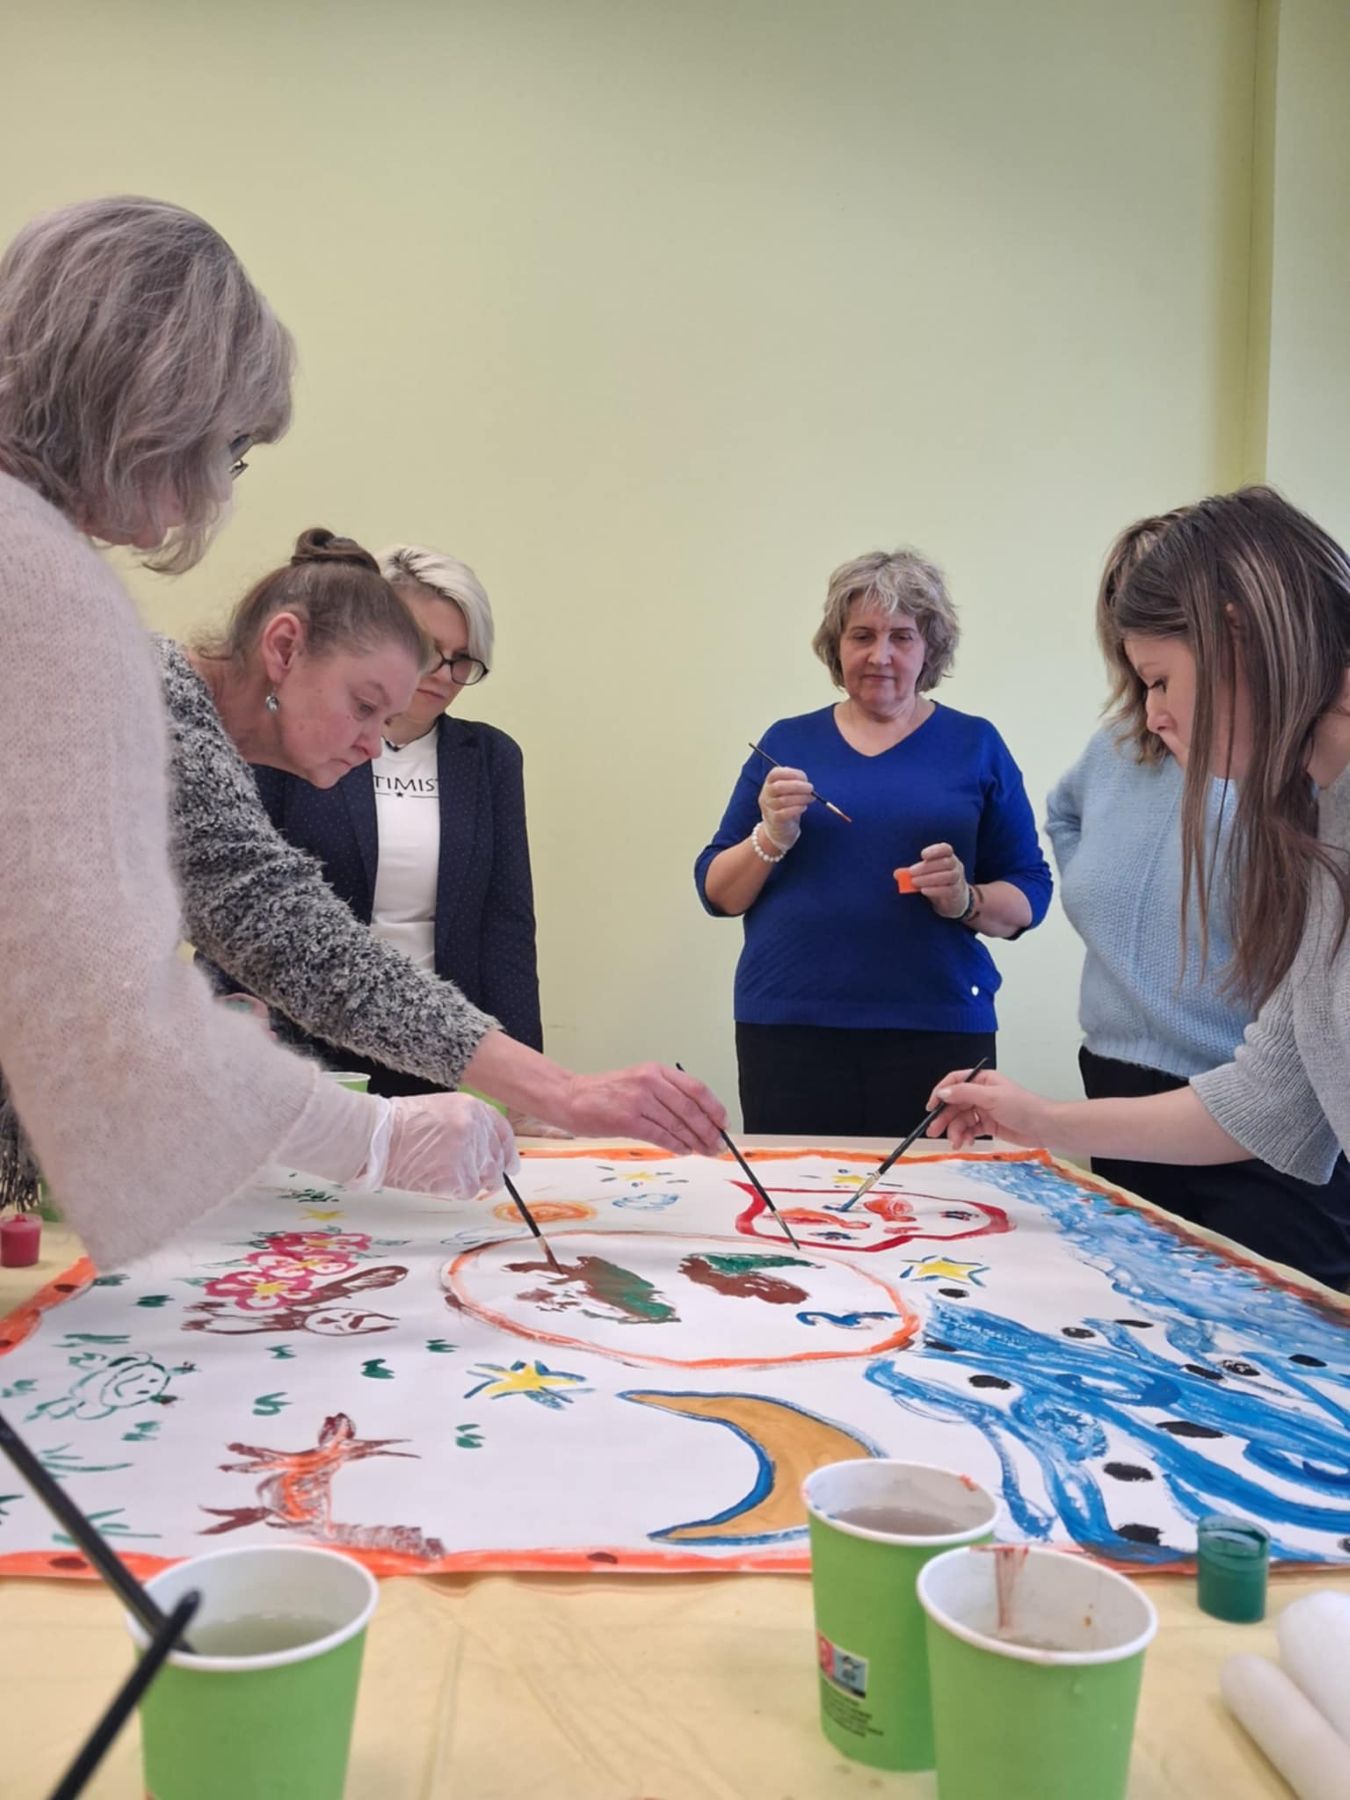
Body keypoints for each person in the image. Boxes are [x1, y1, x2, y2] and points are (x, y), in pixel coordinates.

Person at [0, 196, 515, 1270]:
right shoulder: (42, 589)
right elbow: (107, 1001)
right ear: (156, 405)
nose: (220, 484)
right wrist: (375, 1136)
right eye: (231, 444)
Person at [159, 527, 724, 1149]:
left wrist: (547, 1089)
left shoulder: (196, 738)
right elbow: (298, 945)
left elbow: (299, 944)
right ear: (285, 647)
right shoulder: (147, 710)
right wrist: (560, 1091)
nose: (375, 745)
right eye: (364, 705)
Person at [931, 488, 1350, 1289]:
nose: (1152, 714)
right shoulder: (1324, 825)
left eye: (1158, 680)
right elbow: (1268, 1101)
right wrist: (1039, 1119)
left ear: (1233, 635)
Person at [694, 547, 1052, 1135]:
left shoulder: (976, 745)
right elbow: (717, 892)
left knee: (935, 1187)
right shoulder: (786, 743)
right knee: (796, 1186)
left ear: (930, 648)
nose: (879, 655)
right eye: (861, 635)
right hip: (788, 1027)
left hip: (937, 1025)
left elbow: (1030, 893)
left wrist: (966, 900)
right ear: (836, 647)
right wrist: (771, 837)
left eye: (902, 637)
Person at [245, 543, 544, 1099]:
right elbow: (242, 901)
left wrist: (529, 1083)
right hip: (303, 1047)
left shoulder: (490, 758)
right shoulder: (294, 737)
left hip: (444, 1047)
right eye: (428, 650)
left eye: (463, 659)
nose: (444, 674)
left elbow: (506, 928)